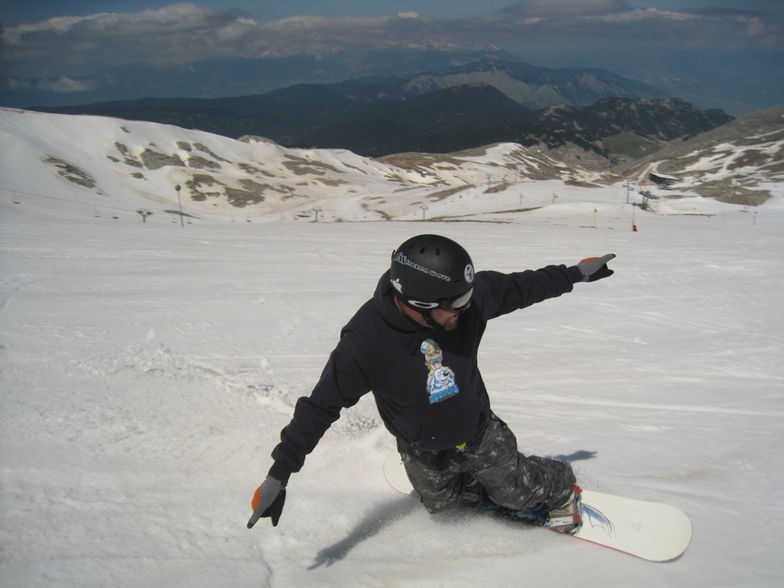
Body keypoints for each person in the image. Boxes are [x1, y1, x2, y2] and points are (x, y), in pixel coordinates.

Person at [248, 234, 615, 534]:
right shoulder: (365, 343)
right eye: (456, 303)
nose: (467, 308)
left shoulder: (464, 304)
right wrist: (279, 474)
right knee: (444, 510)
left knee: (517, 493)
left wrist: (574, 274)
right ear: (417, 303)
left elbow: (522, 286)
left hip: (477, 431)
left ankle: (560, 485)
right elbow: (320, 407)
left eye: (467, 297)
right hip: (420, 446)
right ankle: (473, 487)